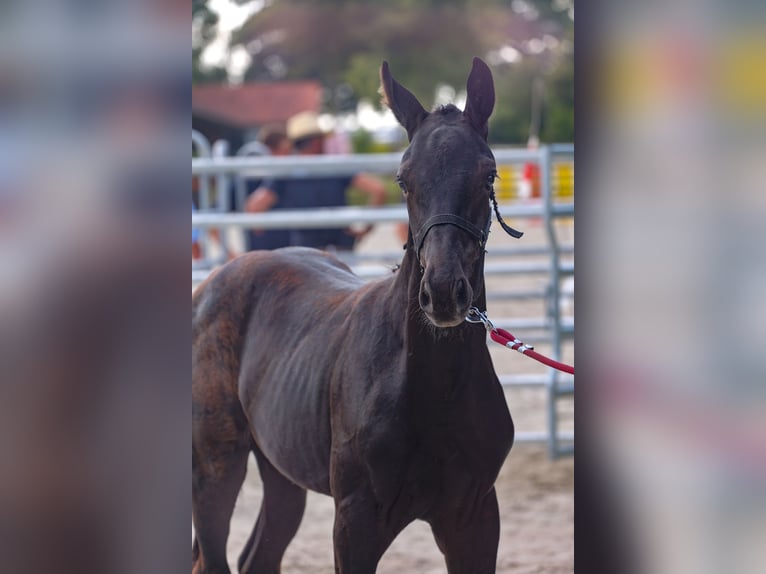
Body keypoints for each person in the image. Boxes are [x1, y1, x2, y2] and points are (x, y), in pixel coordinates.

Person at [247, 111, 387, 251]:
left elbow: (255, 206)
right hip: (341, 245)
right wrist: (367, 228)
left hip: (307, 251)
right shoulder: (335, 166)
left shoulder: (287, 171)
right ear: (316, 141)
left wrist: (261, 233)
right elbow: (378, 190)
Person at [242, 125, 293, 250]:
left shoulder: (245, 176)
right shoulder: (278, 176)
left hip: (263, 259)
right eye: (285, 150)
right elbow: (254, 206)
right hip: (276, 258)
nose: (289, 155)